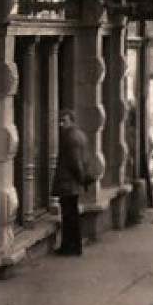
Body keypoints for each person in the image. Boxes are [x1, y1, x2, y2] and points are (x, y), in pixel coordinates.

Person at [52, 109, 95, 255]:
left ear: (72, 121)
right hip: (73, 183)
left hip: (68, 183)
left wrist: (81, 178)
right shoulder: (80, 135)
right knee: (72, 215)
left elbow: (74, 162)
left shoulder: (70, 137)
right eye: (60, 121)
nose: (61, 124)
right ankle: (74, 246)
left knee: (69, 216)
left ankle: (70, 246)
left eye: (64, 121)